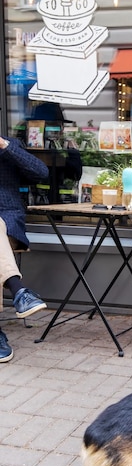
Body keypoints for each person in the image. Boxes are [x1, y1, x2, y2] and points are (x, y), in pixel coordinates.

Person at [0, 135, 49, 362]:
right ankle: (19, 291)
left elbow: (41, 173)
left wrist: (4, 146)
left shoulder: (9, 146)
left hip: (6, 223)